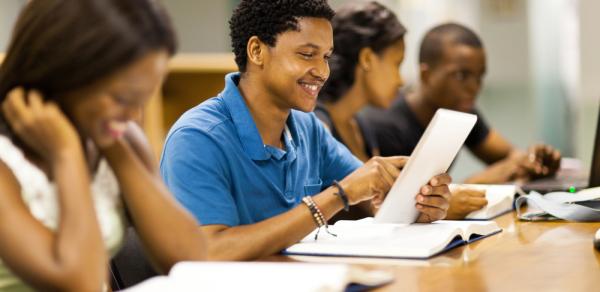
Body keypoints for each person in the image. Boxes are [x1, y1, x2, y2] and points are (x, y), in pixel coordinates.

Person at [160, 0, 451, 262]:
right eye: (307, 54)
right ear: (257, 51)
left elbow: (373, 197)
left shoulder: (307, 128)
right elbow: (210, 251)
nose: (322, 71)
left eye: (326, 57)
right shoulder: (197, 138)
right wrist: (338, 195)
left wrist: (418, 205)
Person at [0, 0, 207, 290]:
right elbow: (82, 284)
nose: (134, 116)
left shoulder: (118, 138)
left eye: (141, 100)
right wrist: (66, 154)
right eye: (122, 99)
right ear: (62, 75)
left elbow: (190, 260)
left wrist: (116, 151)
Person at [360, 23, 561, 219]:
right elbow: (399, 209)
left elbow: (511, 157)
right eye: (461, 75)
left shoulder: (460, 111)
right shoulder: (386, 125)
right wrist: (478, 181)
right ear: (426, 74)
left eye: (479, 76)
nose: (474, 87)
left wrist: (536, 161)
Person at [315, 1, 406, 163]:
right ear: (367, 59)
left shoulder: (361, 125)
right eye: (396, 64)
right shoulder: (317, 126)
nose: (401, 81)